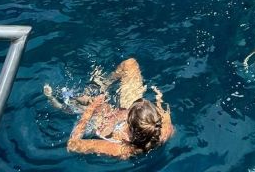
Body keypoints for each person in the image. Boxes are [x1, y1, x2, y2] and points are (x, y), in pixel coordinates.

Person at [44, 58, 173, 159]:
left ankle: (59, 103)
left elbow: (72, 145)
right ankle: (104, 83)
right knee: (130, 64)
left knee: (86, 102)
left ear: (130, 125)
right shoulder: (162, 127)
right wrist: (159, 99)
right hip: (129, 117)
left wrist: (91, 108)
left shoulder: (119, 149)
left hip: (106, 126)